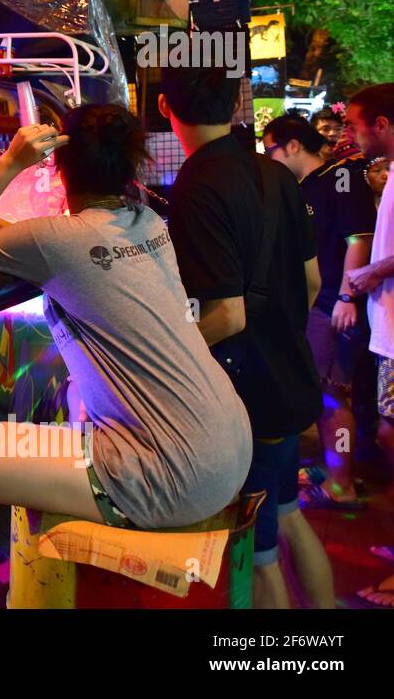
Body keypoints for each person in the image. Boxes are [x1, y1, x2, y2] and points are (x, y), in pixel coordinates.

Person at [0, 105, 253, 531]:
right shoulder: (147, 222)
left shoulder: (57, 240)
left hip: (175, 477)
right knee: (75, 399)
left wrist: (11, 162)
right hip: (231, 442)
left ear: (60, 167)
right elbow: (46, 240)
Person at [160, 64, 331, 609]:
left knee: (257, 561)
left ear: (166, 108)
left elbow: (227, 316)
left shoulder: (198, 184)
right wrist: (280, 337)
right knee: (289, 516)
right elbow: (312, 281)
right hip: (291, 381)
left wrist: (168, 360)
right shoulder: (276, 174)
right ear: (237, 108)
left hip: (248, 396)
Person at [262, 115, 374, 509]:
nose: (267, 156)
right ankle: (334, 469)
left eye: (270, 148)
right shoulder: (307, 186)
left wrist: (346, 297)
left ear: (293, 145)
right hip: (319, 305)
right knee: (325, 393)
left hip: (332, 306)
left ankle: (342, 485)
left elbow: (358, 240)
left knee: (332, 397)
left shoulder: (341, 178)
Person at [341, 85, 394, 608]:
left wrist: (370, 274)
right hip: (388, 330)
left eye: (355, 126)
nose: (351, 135)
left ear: (380, 123)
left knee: (388, 432)